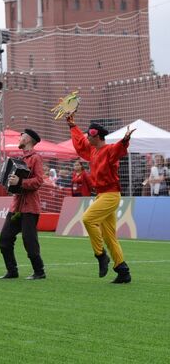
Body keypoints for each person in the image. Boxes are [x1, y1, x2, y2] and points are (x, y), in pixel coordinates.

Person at [67, 114, 134, 283]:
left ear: (96, 135)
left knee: (88, 219)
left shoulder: (109, 150)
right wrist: (72, 125)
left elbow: (118, 149)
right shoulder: (93, 150)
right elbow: (79, 144)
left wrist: (125, 140)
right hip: (102, 195)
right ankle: (123, 271)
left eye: (89, 134)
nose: (86, 137)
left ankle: (101, 255)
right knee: (110, 236)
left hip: (110, 195)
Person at [0, 129, 46, 280]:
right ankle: (12, 271)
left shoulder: (36, 158)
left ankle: (39, 271)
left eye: (22, 136)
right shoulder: (20, 158)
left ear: (29, 140)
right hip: (16, 206)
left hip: (30, 207)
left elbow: (39, 181)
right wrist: (9, 183)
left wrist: (20, 182)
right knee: (5, 239)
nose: (20, 138)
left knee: (29, 241)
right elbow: (14, 183)